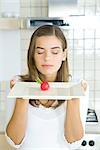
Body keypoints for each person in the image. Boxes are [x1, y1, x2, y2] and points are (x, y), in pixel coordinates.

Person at [5, 24, 89, 150]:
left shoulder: (76, 86)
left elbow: (74, 141)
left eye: (55, 52)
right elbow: (14, 141)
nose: (47, 58)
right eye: (40, 52)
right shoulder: (18, 84)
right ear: (32, 55)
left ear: (64, 55)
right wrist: (21, 97)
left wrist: (74, 98)